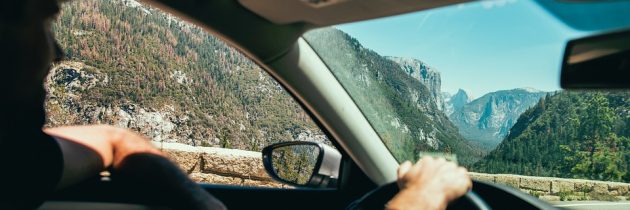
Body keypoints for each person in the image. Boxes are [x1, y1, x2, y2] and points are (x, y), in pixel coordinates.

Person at [0, 0, 471, 209]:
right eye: (44, 22)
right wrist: (422, 197)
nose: (57, 51)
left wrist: (203, 204)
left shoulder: (15, 165)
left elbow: (115, 139)